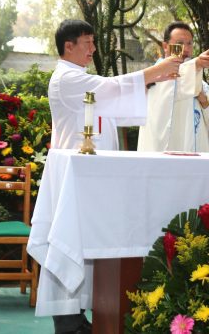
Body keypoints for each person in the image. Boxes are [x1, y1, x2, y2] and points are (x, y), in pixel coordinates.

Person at [45, 19, 181, 334]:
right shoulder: (66, 78)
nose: (93, 49)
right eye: (88, 42)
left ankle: (82, 315)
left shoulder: (82, 79)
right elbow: (110, 88)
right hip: (75, 177)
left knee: (90, 244)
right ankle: (67, 320)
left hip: (95, 178)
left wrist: (151, 80)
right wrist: (154, 71)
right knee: (72, 244)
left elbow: (117, 101)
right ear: (69, 45)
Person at [137, 22, 209, 153]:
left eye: (189, 43)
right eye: (180, 43)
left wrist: (204, 101)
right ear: (165, 46)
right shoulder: (153, 79)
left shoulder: (200, 83)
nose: (186, 49)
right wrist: (197, 64)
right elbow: (172, 88)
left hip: (195, 158)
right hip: (163, 157)